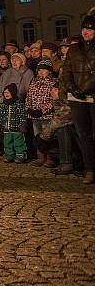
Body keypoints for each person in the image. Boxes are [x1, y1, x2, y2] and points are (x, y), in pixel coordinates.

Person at [61, 10, 95, 184]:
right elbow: (66, 71)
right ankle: (90, 169)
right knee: (84, 135)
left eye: (90, 29)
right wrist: (72, 88)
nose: (86, 32)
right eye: (84, 28)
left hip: (92, 96)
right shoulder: (74, 49)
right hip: (76, 98)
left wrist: (84, 88)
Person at [26, 59, 56, 167]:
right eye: (40, 70)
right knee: (37, 136)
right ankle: (40, 157)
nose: (41, 72)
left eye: (44, 70)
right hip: (34, 114)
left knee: (47, 136)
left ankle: (50, 158)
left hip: (46, 115)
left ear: (49, 71)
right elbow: (28, 96)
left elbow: (53, 101)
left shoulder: (53, 82)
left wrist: (42, 110)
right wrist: (29, 108)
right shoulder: (34, 81)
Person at [0, 84, 28, 163]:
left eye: (8, 92)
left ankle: (20, 155)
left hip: (17, 128)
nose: (6, 94)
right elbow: (0, 115)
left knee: (19, 143)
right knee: (7, 142)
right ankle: (9, 155)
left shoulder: (18, 104)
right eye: (5, 92)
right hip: (6, 128)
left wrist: (22, 125)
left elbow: (22, 115)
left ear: (13, 93)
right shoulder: (3, 104)